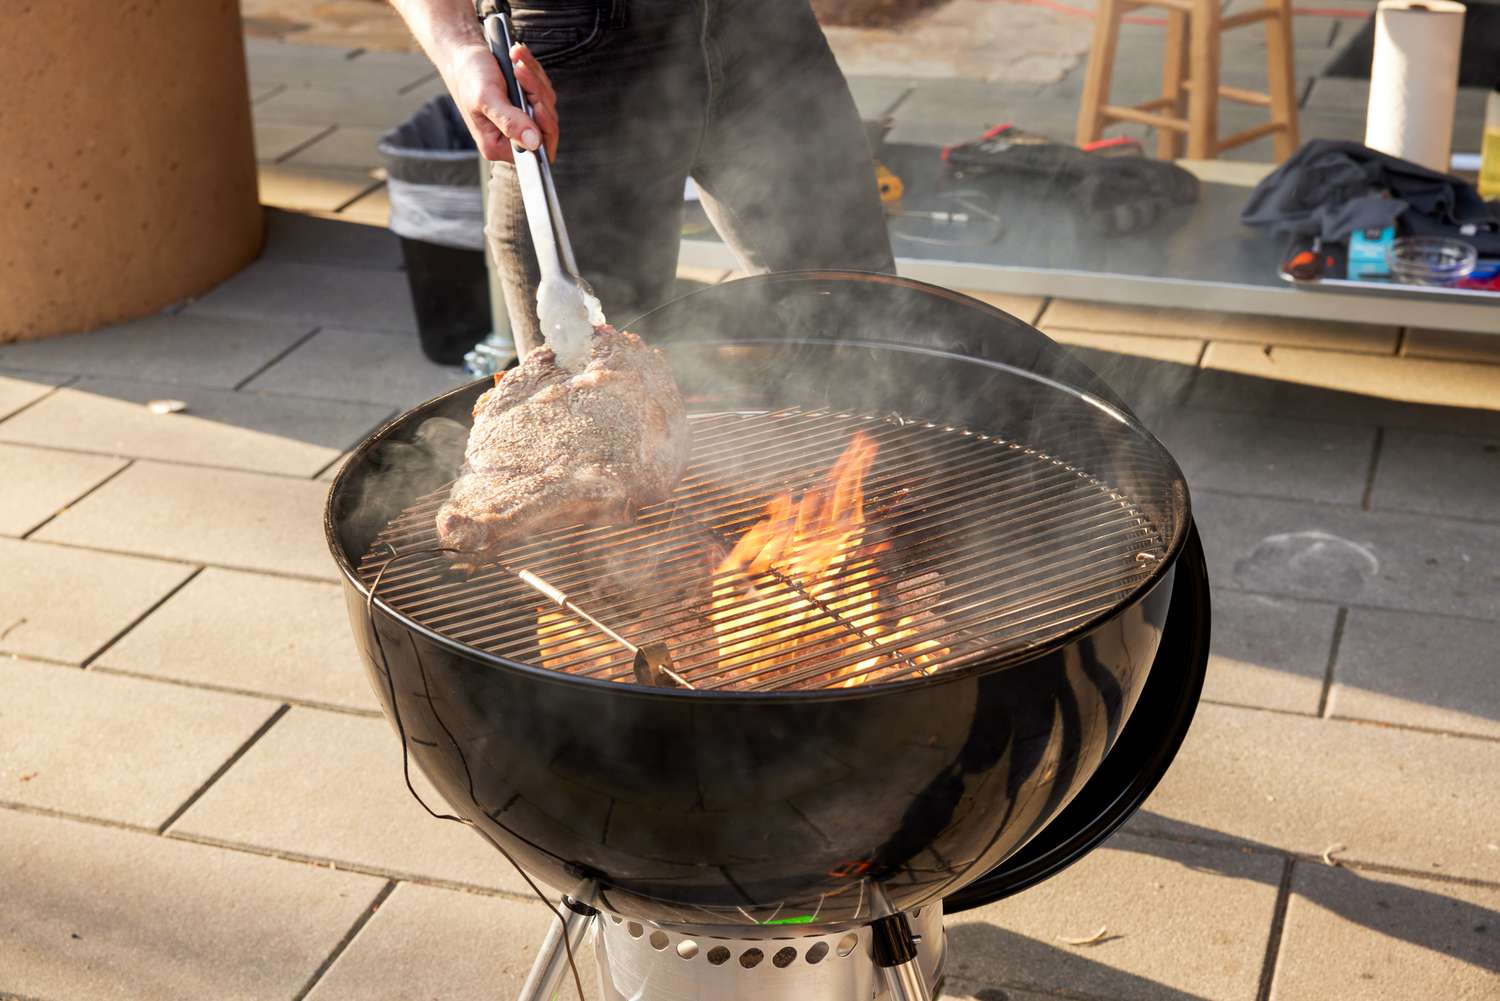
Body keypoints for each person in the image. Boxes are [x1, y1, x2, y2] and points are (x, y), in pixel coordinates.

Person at [389, 0, 895, 356]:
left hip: (765, 24)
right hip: (578, 43)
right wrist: (458, 45)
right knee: (588, 402)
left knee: (863, 328)